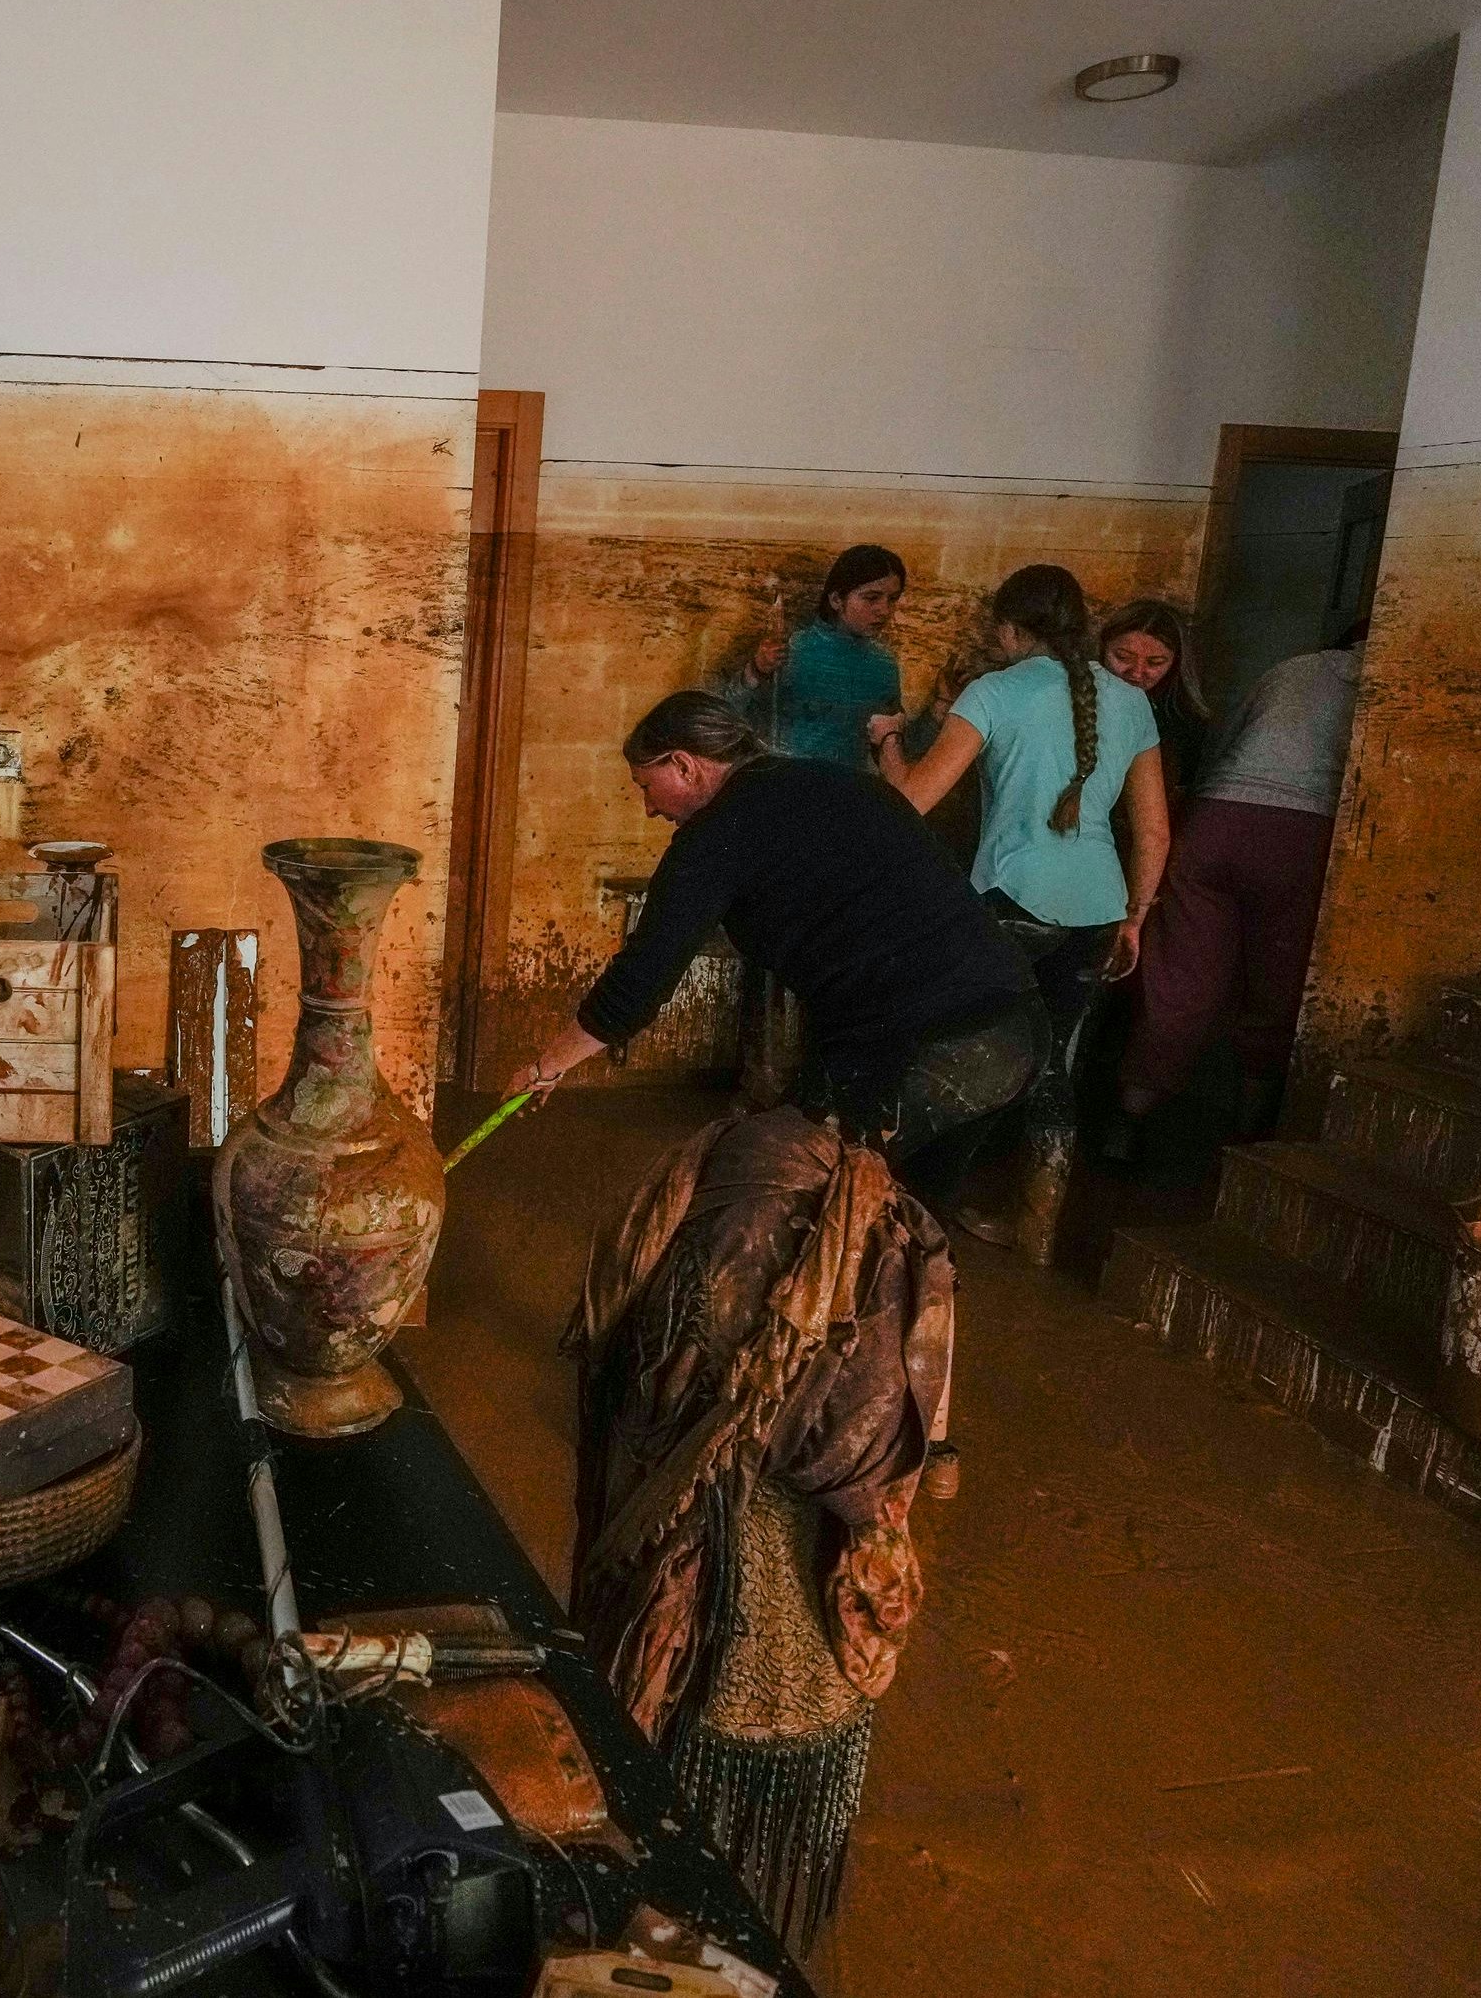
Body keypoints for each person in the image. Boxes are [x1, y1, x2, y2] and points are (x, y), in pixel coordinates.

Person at [567, 1098, 949, 1956]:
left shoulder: (722, 1232)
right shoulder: (867, 1275)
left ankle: (708, 1925)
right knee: (745, 1878)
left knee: (719, 1853)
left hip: (748, 1661)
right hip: (750, 1663)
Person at [509, 694, 1040, 1202]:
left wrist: (548, 1064)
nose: (649, 809)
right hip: (1014, 1028)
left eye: (646, 787)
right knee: (908, 1228)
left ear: (684, 765)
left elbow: (642, 977)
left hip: (924, 1043)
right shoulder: (836, 784)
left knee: (789, 1198)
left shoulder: (717, 833)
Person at [868, 565, 1166, 1257]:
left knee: (960, 1050)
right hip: (1098, 906)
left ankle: (915, 1212)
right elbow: (1152, 831)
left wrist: (887, 742)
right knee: (1053, 1063)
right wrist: (1134, 918)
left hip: (1010, 898)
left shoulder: (993, 690)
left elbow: (910, 802)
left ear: (1008, 627)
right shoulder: (1129, 701)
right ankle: (1036, 1227)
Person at [1106, 621, 1368, 1158]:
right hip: (1301, 835)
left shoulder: (1289, 668)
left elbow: (1226, 744)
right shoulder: (1386, 677)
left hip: (1215, 819)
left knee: (1181, 974)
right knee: (1277, 982)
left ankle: (1126, 1122)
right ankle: (1250, 1137)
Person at [712, 545, 908, 771]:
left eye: (892, 599)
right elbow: (723, 721)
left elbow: (896, 748)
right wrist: (756, 671)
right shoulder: (790, 651)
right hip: (787, 786)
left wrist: (940, 707)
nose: (884, 610)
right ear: (836, 600)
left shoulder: (884, 665)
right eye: (871, 598)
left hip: (850, 793)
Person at [1097, 598, 1210, 800]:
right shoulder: (1075, 699)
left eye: (1155, 662)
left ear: (1176, 662)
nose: (1137, 673)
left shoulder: (1185, 722)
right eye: (1123, 657)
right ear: (1104, 648)